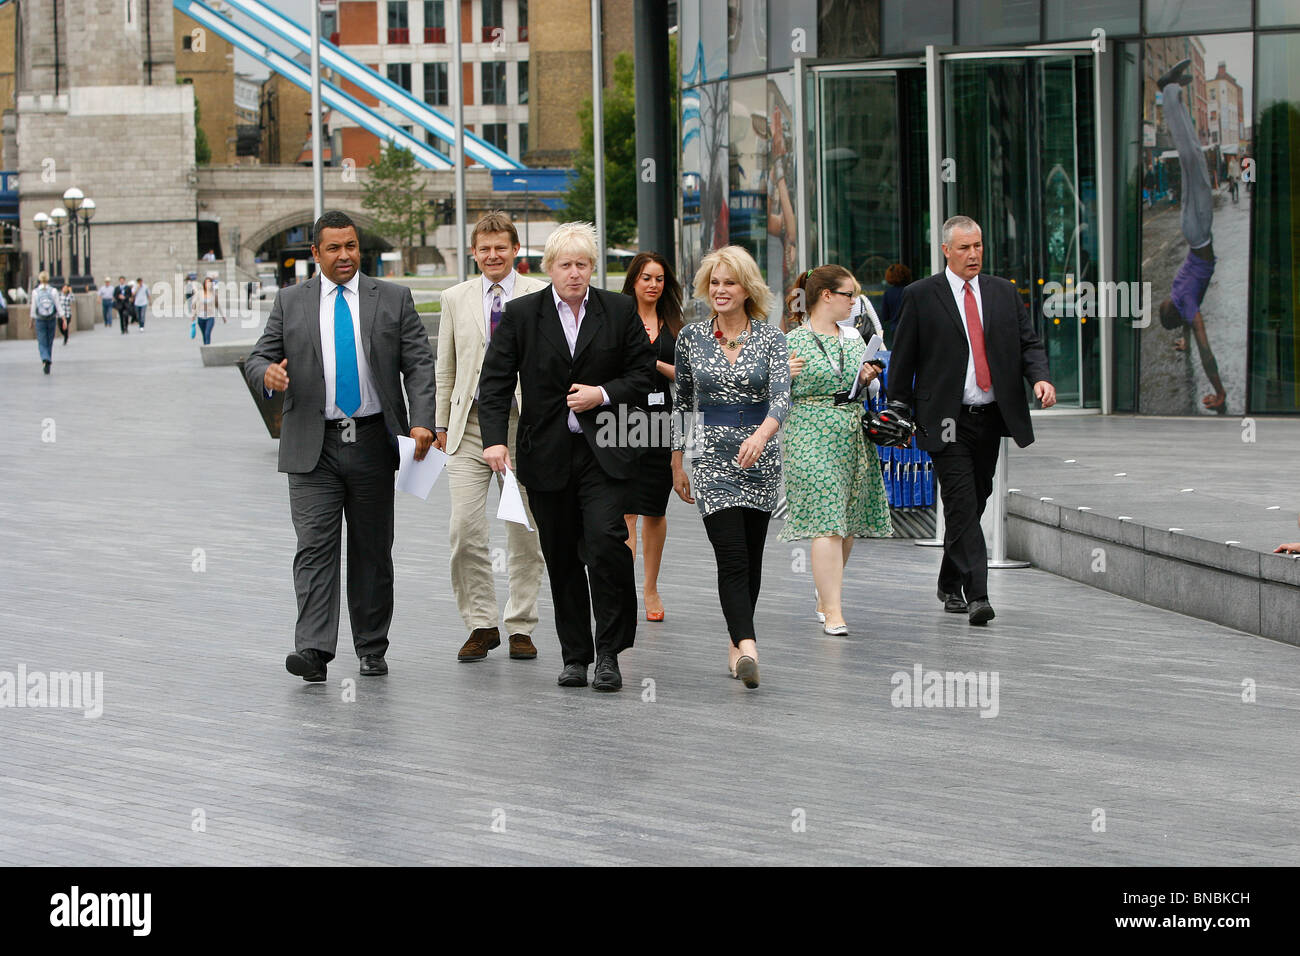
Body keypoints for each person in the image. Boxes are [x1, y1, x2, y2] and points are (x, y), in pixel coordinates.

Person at [244, 211, 437, 683]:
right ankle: (312, 650)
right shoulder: (291, 301)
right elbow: (257, 357)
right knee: (314, 546)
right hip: (314, 445)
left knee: (373, 549)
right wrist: (267, 376)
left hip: (372, 439)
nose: (345, 255)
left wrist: (422, 423)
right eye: (333, 248)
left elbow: (418, 363)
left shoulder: (392, 298)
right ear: (316, 253)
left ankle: (371, 647)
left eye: (351, 246)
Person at [477, 222, 655, 693]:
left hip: (605, 455)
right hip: (547, 455)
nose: (574, 274)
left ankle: (610, 653)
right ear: (547, 268)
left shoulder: (618, 311)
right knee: (560, 557)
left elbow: (643, 377)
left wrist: (602, 393)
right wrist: (495, 440)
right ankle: (576, 656)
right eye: (565, 265)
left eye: (582, 265)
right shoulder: (521, 314)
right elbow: (493, 383)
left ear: (592, 268)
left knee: (605, 546)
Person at [889, 215, 1055, 626]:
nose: (973, 254)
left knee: (976, 500)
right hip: (945, 419)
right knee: (961, 503)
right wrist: (898, 408)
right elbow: (903, 357)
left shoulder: (1002, 292)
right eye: (964, 247)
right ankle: (977, 593)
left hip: (990, 417)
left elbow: (1028, 343)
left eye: (978, 245)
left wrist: (1041, 379)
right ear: (946, 250)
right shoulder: (921, 295)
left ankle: (949, 578)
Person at [672, 246, 790, 689]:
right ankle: (750, 644)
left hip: (760, 458)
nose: (720, 290)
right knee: (732, 555)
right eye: (714, 283)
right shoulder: (691, 337)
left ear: (747, 289)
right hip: (710, 459)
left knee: (752, 559)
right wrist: (677, 460)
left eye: (730, 283)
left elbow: (781, 396)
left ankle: (734, 644)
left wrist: (762, 434)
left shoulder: (770, 337)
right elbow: (682, 402)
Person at [434, 211, 548, 663]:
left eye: (501, 247)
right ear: (473, 252)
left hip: (523, 426)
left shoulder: (539, 295)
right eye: (484, 249)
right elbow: (445, 365)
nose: (492, 255)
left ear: (516, 250)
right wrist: (441, 423)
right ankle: (481, 624)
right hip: (469, 428)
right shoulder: (454, 297)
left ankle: (521, 624)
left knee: (523, 530)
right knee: (464, 528)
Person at [781, 265, 892, 635]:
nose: (854, 303)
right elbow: (772, 395)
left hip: (850, 431)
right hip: (809, 432)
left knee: (845, 525)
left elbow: (866, 393)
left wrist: (866, 380)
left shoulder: (853, 339)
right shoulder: (793, 341)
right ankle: (834, 612)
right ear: (826, 295)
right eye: (849, 294)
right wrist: (783, 376)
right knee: (826, 519)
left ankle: (825, 596)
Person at [1154, 58, 1226, 414]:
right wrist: (1183, 342)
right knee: (1190, 158)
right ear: (1172, 311)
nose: (1165, 301)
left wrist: (1220, 391)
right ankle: (1173, 93)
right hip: (1194, 230)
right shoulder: (1181, 303)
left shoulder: (1185, 304)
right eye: (1164, 307)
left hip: (1198, 234)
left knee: (1192, 157)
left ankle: (1169, 90)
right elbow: (1189, 334)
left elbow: (1203, 344)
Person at [620, 251, 683, 622]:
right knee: (626, 509)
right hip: (622, 420)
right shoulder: (617, 317)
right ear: (634, 281)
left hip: (662, 421)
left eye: (659, 279)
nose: (653, 285)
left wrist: (654, 363)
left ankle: (651, 587)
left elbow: (686, 378)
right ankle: (624, 589)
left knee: (654, 511)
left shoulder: (675, 324)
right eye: (646, 278)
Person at [29, 271, 59, 374]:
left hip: (40, 319)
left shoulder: (35, 292)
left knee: (42, 341)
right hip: (51, 318)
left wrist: (31, 320)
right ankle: (48, 360)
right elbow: (57, 305)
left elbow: (33, 307)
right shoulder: (53, 291)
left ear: (40, 279)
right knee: (49, 341)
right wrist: (63, 318)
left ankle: (45, 358)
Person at [878, 263, 912, 344]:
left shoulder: (888, 293)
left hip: (895, 329)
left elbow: (885, 316)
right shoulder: (911, 291)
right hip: (911, 328)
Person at [193, 276, 225, 345]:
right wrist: (194, 315)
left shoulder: (214, 294)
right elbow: (194, 304)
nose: (208, 284)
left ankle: (207, 348)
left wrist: (223, 316)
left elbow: (217, 305)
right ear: (204, 284)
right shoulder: (199, 293)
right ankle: (206, 347)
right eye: (207, 283)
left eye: (210, 283)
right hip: (200, 318)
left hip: (210, 317)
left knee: (207, 333)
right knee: (204, 335)